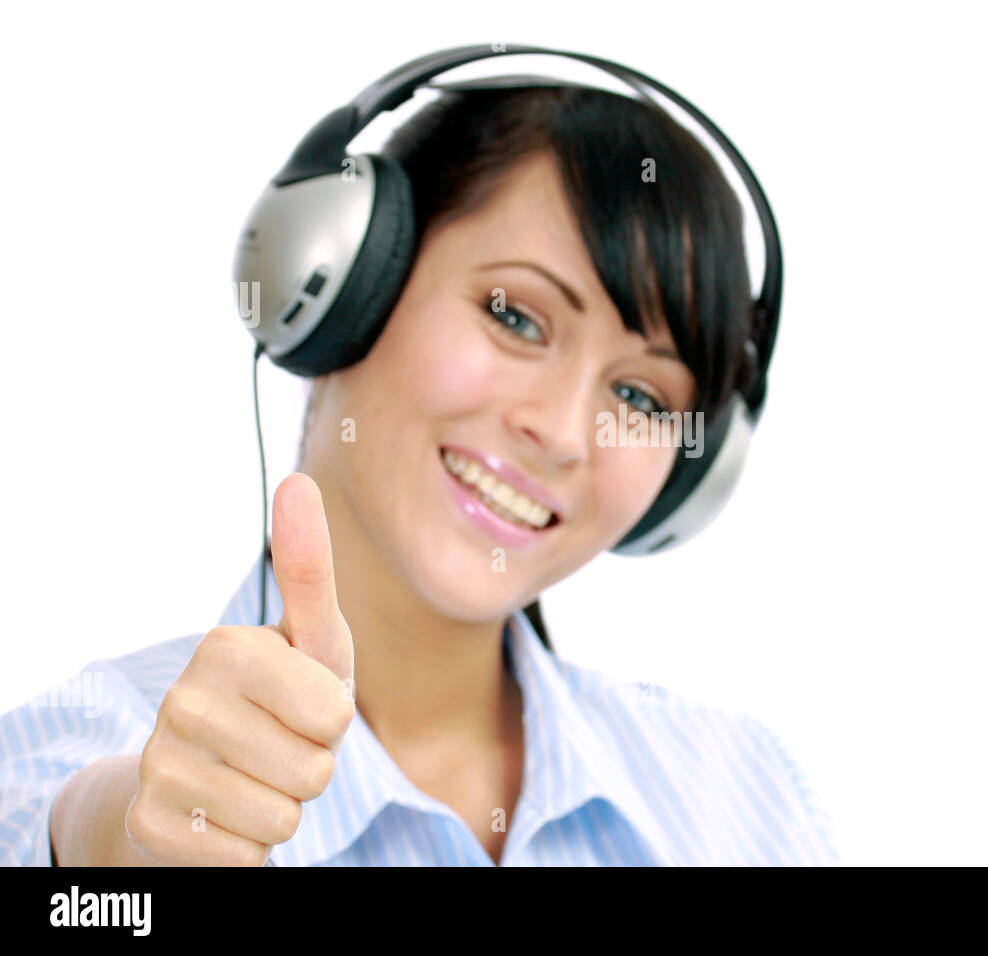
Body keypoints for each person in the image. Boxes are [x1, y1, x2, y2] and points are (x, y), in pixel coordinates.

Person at [0, 80, 840, 866]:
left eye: (640, 394)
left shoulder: (744, 794)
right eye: (516, 315)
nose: (561, 432)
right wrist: (121, 849)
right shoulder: (87, 741)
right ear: (338, 284)